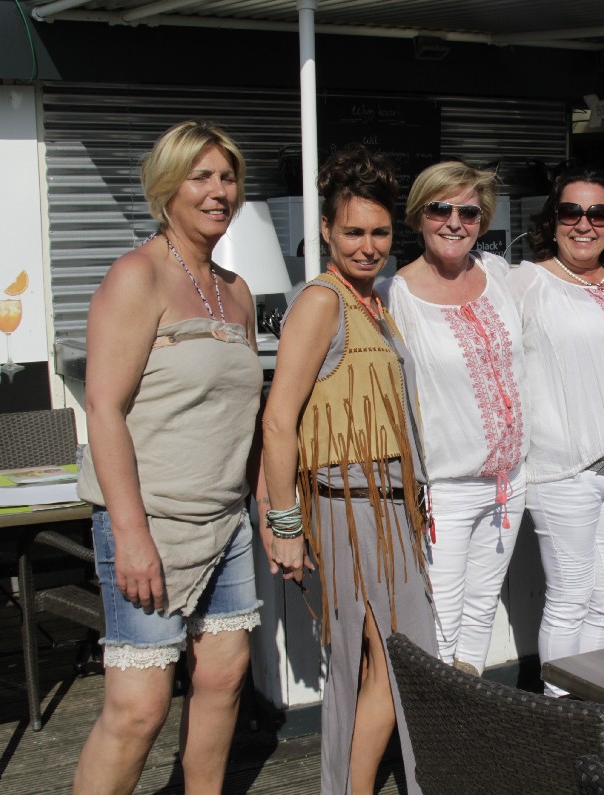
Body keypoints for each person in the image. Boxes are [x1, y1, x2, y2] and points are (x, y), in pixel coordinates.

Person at [73, 120, 262, 794]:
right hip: (149, 522)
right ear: (167, 187)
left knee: (223, 678)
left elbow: (243, 418)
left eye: (227, 177)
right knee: (139, 708)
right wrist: (130, 535)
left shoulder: (236, 290)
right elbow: (104, 409)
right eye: (200, 176)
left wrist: (270, 514)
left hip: (226, 522)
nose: (218, 191)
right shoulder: (137, 275)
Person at [259, 145, 435, 794]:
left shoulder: (373, 301)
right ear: (326, 230)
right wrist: (282, 524)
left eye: (380, 233)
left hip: (386, 508)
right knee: (396, 662)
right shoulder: (322, 301)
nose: (368, 246)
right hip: (351, 507)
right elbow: (278, 420)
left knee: (375, 664)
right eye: (354, 232)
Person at [508, 169, 604, 753]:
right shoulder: (525, 282)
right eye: (571, 212)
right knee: (570, 597)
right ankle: (559, 724)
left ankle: (589, 715)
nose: (584, 224)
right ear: (553, 221)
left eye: (598, 214)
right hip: (562, 471)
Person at [378, 161, 527, 677]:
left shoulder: (498, 273)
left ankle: (468, 720)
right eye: (440, 209)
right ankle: (433, 727)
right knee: (439, 620)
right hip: (444, 489)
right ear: (418, 216)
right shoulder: (393, 295)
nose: (454, 222)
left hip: (509, 481)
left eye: (469, 212)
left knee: (481, 613)